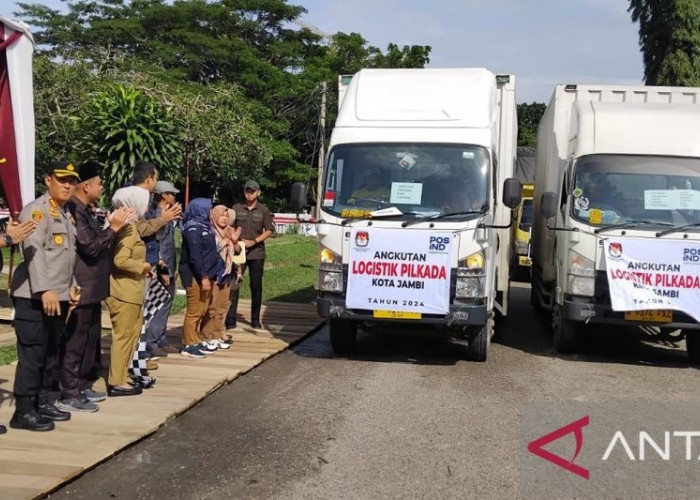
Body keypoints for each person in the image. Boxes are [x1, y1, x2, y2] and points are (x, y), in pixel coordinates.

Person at [10, 161, 81, 431]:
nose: (67, 185)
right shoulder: (37, 211)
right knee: (33, 354)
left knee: (50, 353)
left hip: (57, 295)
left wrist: (71, 285)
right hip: (33, 296)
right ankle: (24, 410)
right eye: (62, 179)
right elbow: (34, 253)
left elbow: (64, 256)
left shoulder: (62, 213)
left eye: (71, 181)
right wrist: (44, 289)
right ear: (48, 180)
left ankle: (41, 401)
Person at [58, 161, 133, 413]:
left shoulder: (86, 210)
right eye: (99, 183)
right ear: (86, 185)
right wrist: (113, 228)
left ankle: (80, 384)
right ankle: (68, 391)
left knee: (90, 340)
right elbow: (90, 247)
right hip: (83, 285)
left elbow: (95, 241)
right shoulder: (75, 211)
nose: (102, 188)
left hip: (94, 287)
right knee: (75, 341)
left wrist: (108, 228)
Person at [106, 186, 151, 397]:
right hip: (123, 290)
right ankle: (117, 380)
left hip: (131, 290)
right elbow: (120, 259)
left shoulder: (129, 225)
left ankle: (122, 375)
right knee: (123, 336)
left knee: (131, 335)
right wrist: (142, 267)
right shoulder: (128, 228)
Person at [226, 180, 275, 330]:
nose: (249, 194)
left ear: (258, 192)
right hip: (238, 251)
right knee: (234, 284)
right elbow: (229, 226)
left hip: (256, 253)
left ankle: (255, 319)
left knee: (256, 286)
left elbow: (269, 230)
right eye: (247, 191)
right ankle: (230, 319)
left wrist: (254, 241)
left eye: (252, 191)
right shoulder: (236, 208)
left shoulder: (263, 210)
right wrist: (235, 241)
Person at [179, 198, 221, 358]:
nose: (211, 212)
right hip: (195, 276)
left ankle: (195, 338)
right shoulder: (193, 229)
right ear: (200, 210)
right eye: (209, 209)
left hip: (207, 275)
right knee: (194, 310)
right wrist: (203, 276)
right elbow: (195, 257)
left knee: (203, 308)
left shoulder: (205, 227)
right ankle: (188, 344)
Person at [143, 180, 181, 358]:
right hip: (161, 267)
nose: (174, 196)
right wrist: (162, 270)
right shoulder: (158, 215)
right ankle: (152, 342)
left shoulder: (168, 214)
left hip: (170, 264)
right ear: (164, 195)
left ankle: (161, 338)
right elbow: (157, 244)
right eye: (171, 194)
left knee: (167, 302)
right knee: (158, 303)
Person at [201, 205, 242, 348]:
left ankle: (218, 334)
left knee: (222, 307)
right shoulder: (209, 230)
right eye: (222, 215)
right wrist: (224, 241)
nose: (224, 218)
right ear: (214, 215)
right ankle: (207, 335)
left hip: (226, 272)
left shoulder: (229, 230)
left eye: (226, 216)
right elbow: (210, 250)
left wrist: (235, 241)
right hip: (214, 272)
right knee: (211, 307)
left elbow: (237, 251)